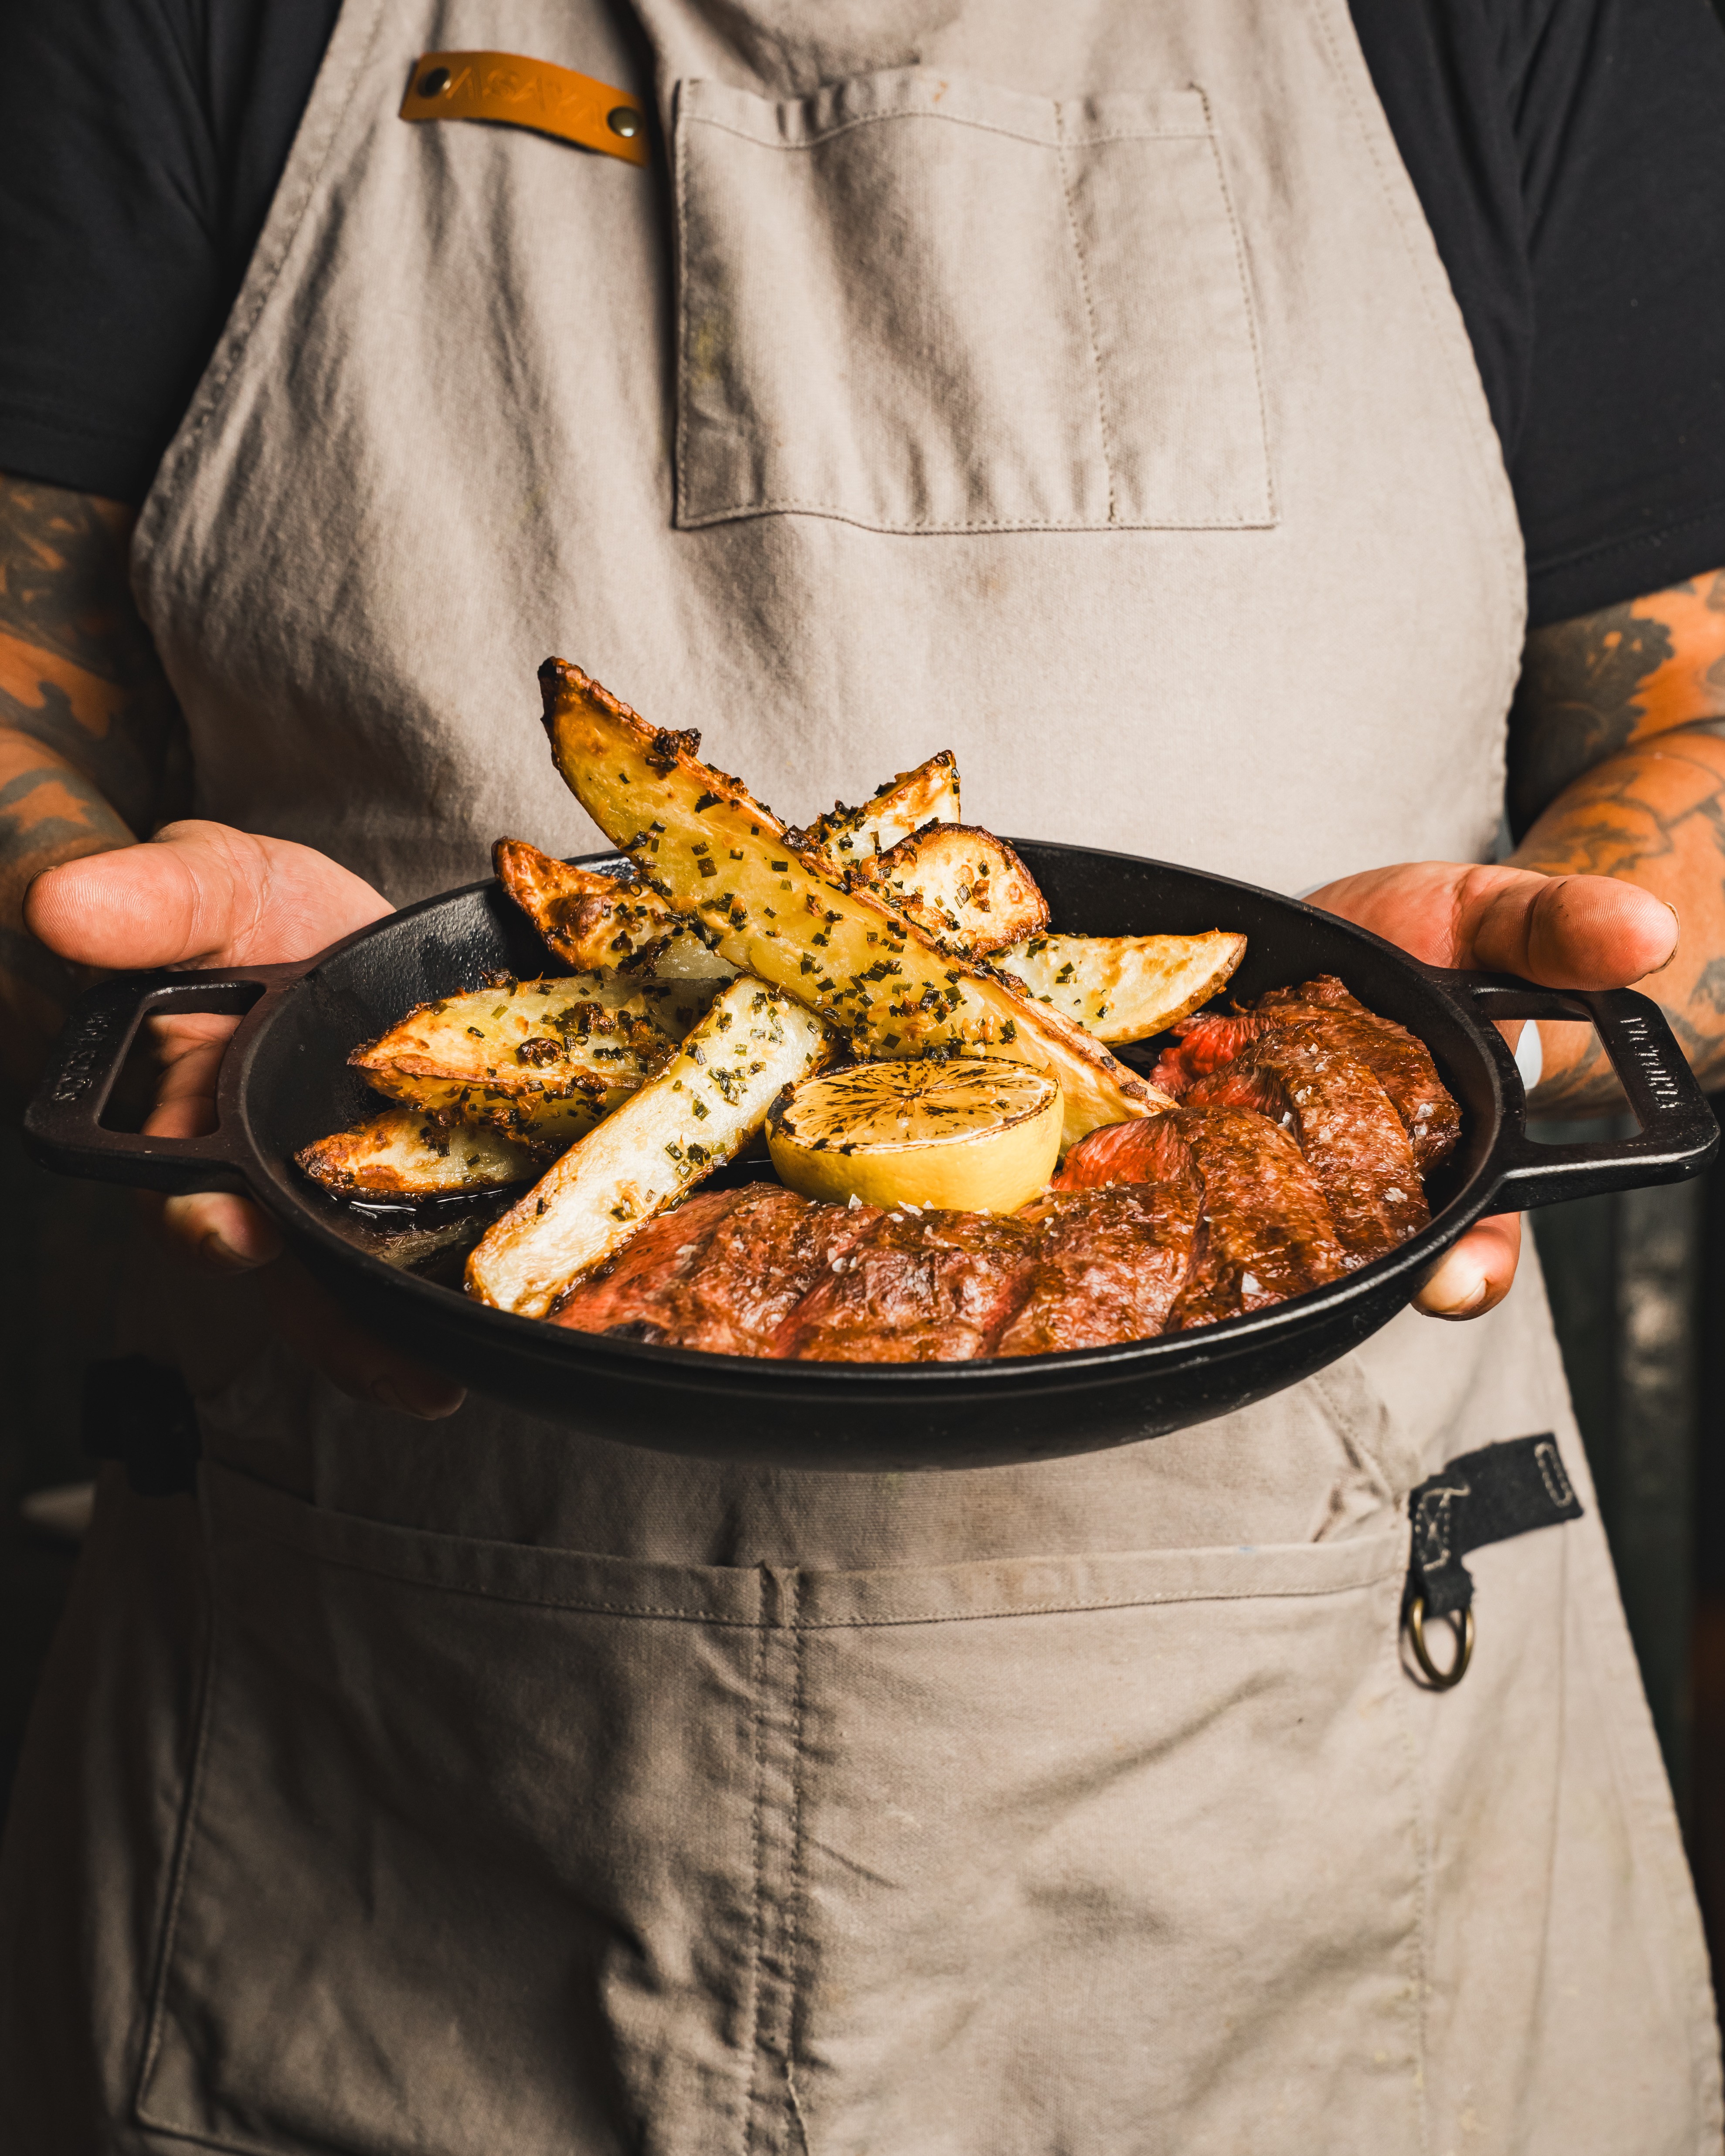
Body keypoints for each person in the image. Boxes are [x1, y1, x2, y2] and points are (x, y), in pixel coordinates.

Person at [3, 0, 1725, 2147]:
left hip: (1331, 1793)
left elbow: (1696, 698)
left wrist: (1550, 994)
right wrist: (90, 945)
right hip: (362, 1796)